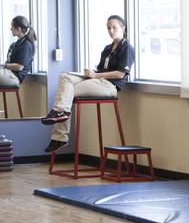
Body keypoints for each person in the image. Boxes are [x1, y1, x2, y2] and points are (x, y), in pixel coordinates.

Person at [42, 14, 133, 154]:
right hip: (97, 80)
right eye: (108, 28)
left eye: (114, 27)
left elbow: (120, 74)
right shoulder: (107, 48)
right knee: (65, 77)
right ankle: (60, 115)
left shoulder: (127, 48)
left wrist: (95, 75)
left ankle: (59, 137)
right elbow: (102, 69)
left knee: (67, 93)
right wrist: (91, 73)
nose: (111, 31)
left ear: (123, 28)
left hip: (109, 86)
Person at [0, 16, 36, 89]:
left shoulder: (26, 44)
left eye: (12, 26)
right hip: (8, 73)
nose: (10, 29)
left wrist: (0, 65)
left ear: (18, 29)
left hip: (14, 77)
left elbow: (19, 67)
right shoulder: (16, 44)